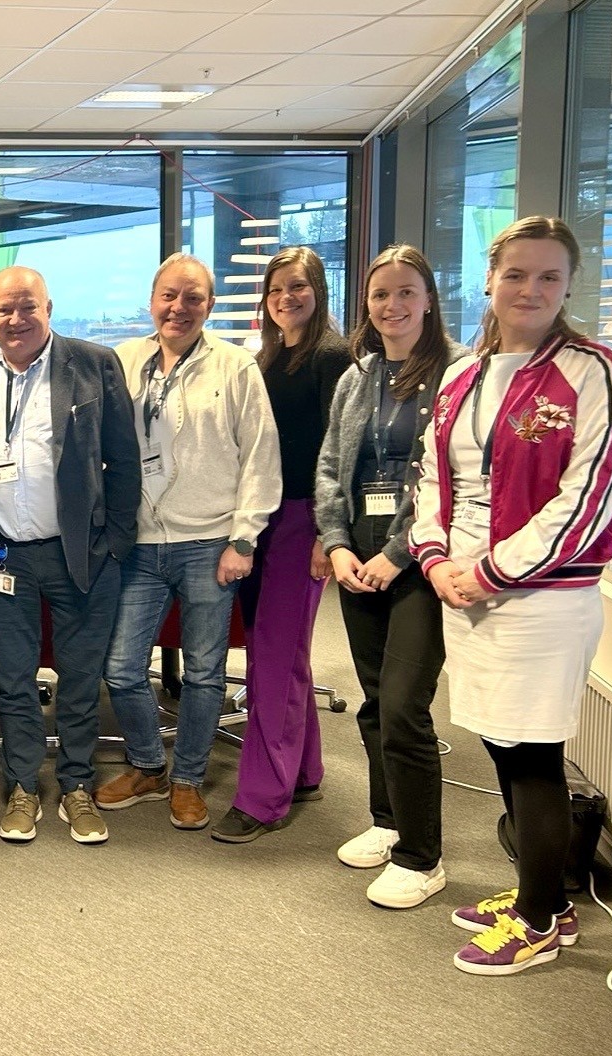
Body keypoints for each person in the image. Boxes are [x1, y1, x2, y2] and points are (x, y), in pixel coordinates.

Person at [410, 217, 612, 974]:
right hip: (461, 590)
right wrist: (435, 558)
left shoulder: (593, 370)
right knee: (501, 746)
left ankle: (535, 922)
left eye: (547, 277)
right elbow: (434, 482)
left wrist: (491, 571)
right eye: (515, 275)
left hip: (540, 597)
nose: (529, 289)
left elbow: (587, 498)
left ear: (568, 286)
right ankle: (547, 898)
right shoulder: (461, 374)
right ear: (489, 281)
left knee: (534, 755)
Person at [0, 266, 140, 845]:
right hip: (4, 557)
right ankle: (24, 785)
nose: (16, 319)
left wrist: (116, 543)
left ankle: (77, 785)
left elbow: (124, 460)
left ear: (48, 308)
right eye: (4, 309)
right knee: (14, 678)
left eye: (27, 307)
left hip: (81, 555)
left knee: (81, 678)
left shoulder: (93, 363)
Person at [97, 254, 280, 830]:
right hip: (139, 544)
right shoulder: (122, 362)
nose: (180, 308)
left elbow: (260, 456)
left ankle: (188, 779)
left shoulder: (234, 367)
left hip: (210, 541)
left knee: (204, 672)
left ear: (211, 305)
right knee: (123, 667)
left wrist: (244, 540)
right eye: (170, 296)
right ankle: (149, 765)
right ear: (152, 299)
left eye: (194, 298)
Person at [314, 245, 467, 907]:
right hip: (359, 552)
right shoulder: (359, 376)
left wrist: (396, 553)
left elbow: (453, 482)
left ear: (428, 299)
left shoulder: (460, 373)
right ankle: (386, 820)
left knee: (405, 706)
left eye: (406, 292)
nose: (393, 306)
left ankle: (421, 854)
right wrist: (337, 543)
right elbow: (329, 467)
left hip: (420, 560)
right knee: (375, 700)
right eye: (381, 295)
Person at [212, 246, 351, 843]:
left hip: (303, 521)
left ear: (317, 289)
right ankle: (306, 769)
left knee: (269, 657)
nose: (285, 299)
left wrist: (328, 531)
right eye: (275, 291)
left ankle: (263, 797)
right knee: (285, 651)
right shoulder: (269, 359)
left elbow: (340, 451)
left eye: (297, 287)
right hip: (263, 520)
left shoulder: (333, 357)